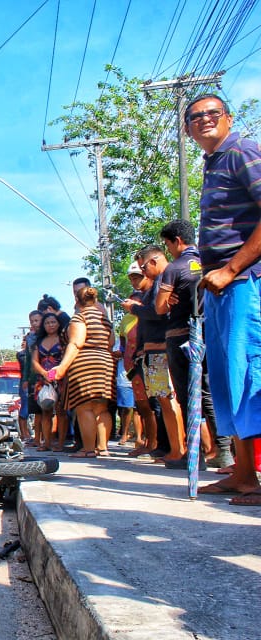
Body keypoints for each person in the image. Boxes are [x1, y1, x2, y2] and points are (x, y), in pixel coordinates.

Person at [183, 93, 261, 503]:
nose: (204, 119)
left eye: (212, 113)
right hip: (220, 288)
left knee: (250, 376)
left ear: (229, 118)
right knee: (229, 381)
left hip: (245, 281)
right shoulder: (214, 163)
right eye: (195, 116)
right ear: (187, 128)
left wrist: (231, 268)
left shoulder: (242, 152)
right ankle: (244, 474)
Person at [157, 219, 232, 469]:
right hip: (209, 334)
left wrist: (168, 298)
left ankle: (195, 455)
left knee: (187, 395)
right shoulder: (209, 262)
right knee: (210, 391)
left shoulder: (174, 268)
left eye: (168, 245)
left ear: (177, 241)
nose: (169, 250)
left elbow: (160, 307)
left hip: (180, 336)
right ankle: (224, 451)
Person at [122, 245, 188, 466]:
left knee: (168, 400)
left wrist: (134, 308)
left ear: (154, 261)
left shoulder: (163, 280)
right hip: (154, 350)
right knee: (162, 399)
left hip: (161, 349)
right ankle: (174, 448)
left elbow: (158, 313)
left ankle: (178, 449)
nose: (142, 272)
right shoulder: (157, 283)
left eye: (143, 268)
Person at [48, 286, 115, 458]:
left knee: (85, 407)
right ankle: (103, 447)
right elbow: (111, 342)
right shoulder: (104, 319)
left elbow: (76, 343)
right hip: (105, 360)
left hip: (85, 362)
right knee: (102, 407)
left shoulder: (80, 317)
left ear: (77, 301)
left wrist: (62, 367)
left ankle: (88, 449)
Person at [121, 262, 159, 457]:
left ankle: (157, 444)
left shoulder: (153, 299)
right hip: (133, 365)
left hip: (153, 358)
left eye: (137, 277)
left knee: (157, 404)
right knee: (142, 406)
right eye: (132, 278)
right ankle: (149, 442)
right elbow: (123, 343)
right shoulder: (126, 320)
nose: (134, 281)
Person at [31, 312, 63, 451]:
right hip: (43, 379)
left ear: (58, 323)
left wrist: (57, 374)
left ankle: (60, 443)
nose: (50, 325)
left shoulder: (63, 340)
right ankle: (47, 442)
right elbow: (34, 361)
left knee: (61, 412)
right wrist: (44, 373)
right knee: (45, 411)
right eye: (47, 323)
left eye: (53, 322)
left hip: (61, 378)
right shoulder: (38, 341)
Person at [19, 310, 43, 443]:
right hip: (34, 379)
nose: (34, 323)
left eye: (37, 320)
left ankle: (48, 438)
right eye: (32, 321)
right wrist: (26, 379)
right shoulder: (30, 338)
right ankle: (36, 439)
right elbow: (28, 360)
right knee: (35, 411)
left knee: (49, 411)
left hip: (48, 376)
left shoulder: (47, 334)